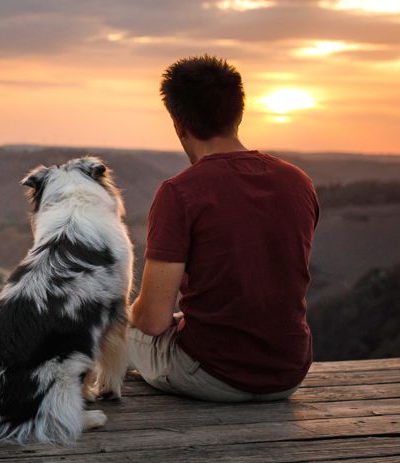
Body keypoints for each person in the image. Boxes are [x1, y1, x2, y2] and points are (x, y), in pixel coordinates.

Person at [127, 55, 319, 402]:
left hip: (213, 375)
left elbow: (153, 321)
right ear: (239, 114)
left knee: (123, 327)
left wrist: (129, 313)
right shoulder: (298, 182)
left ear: (178, 124)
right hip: (288, 374)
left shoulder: (180, 192)